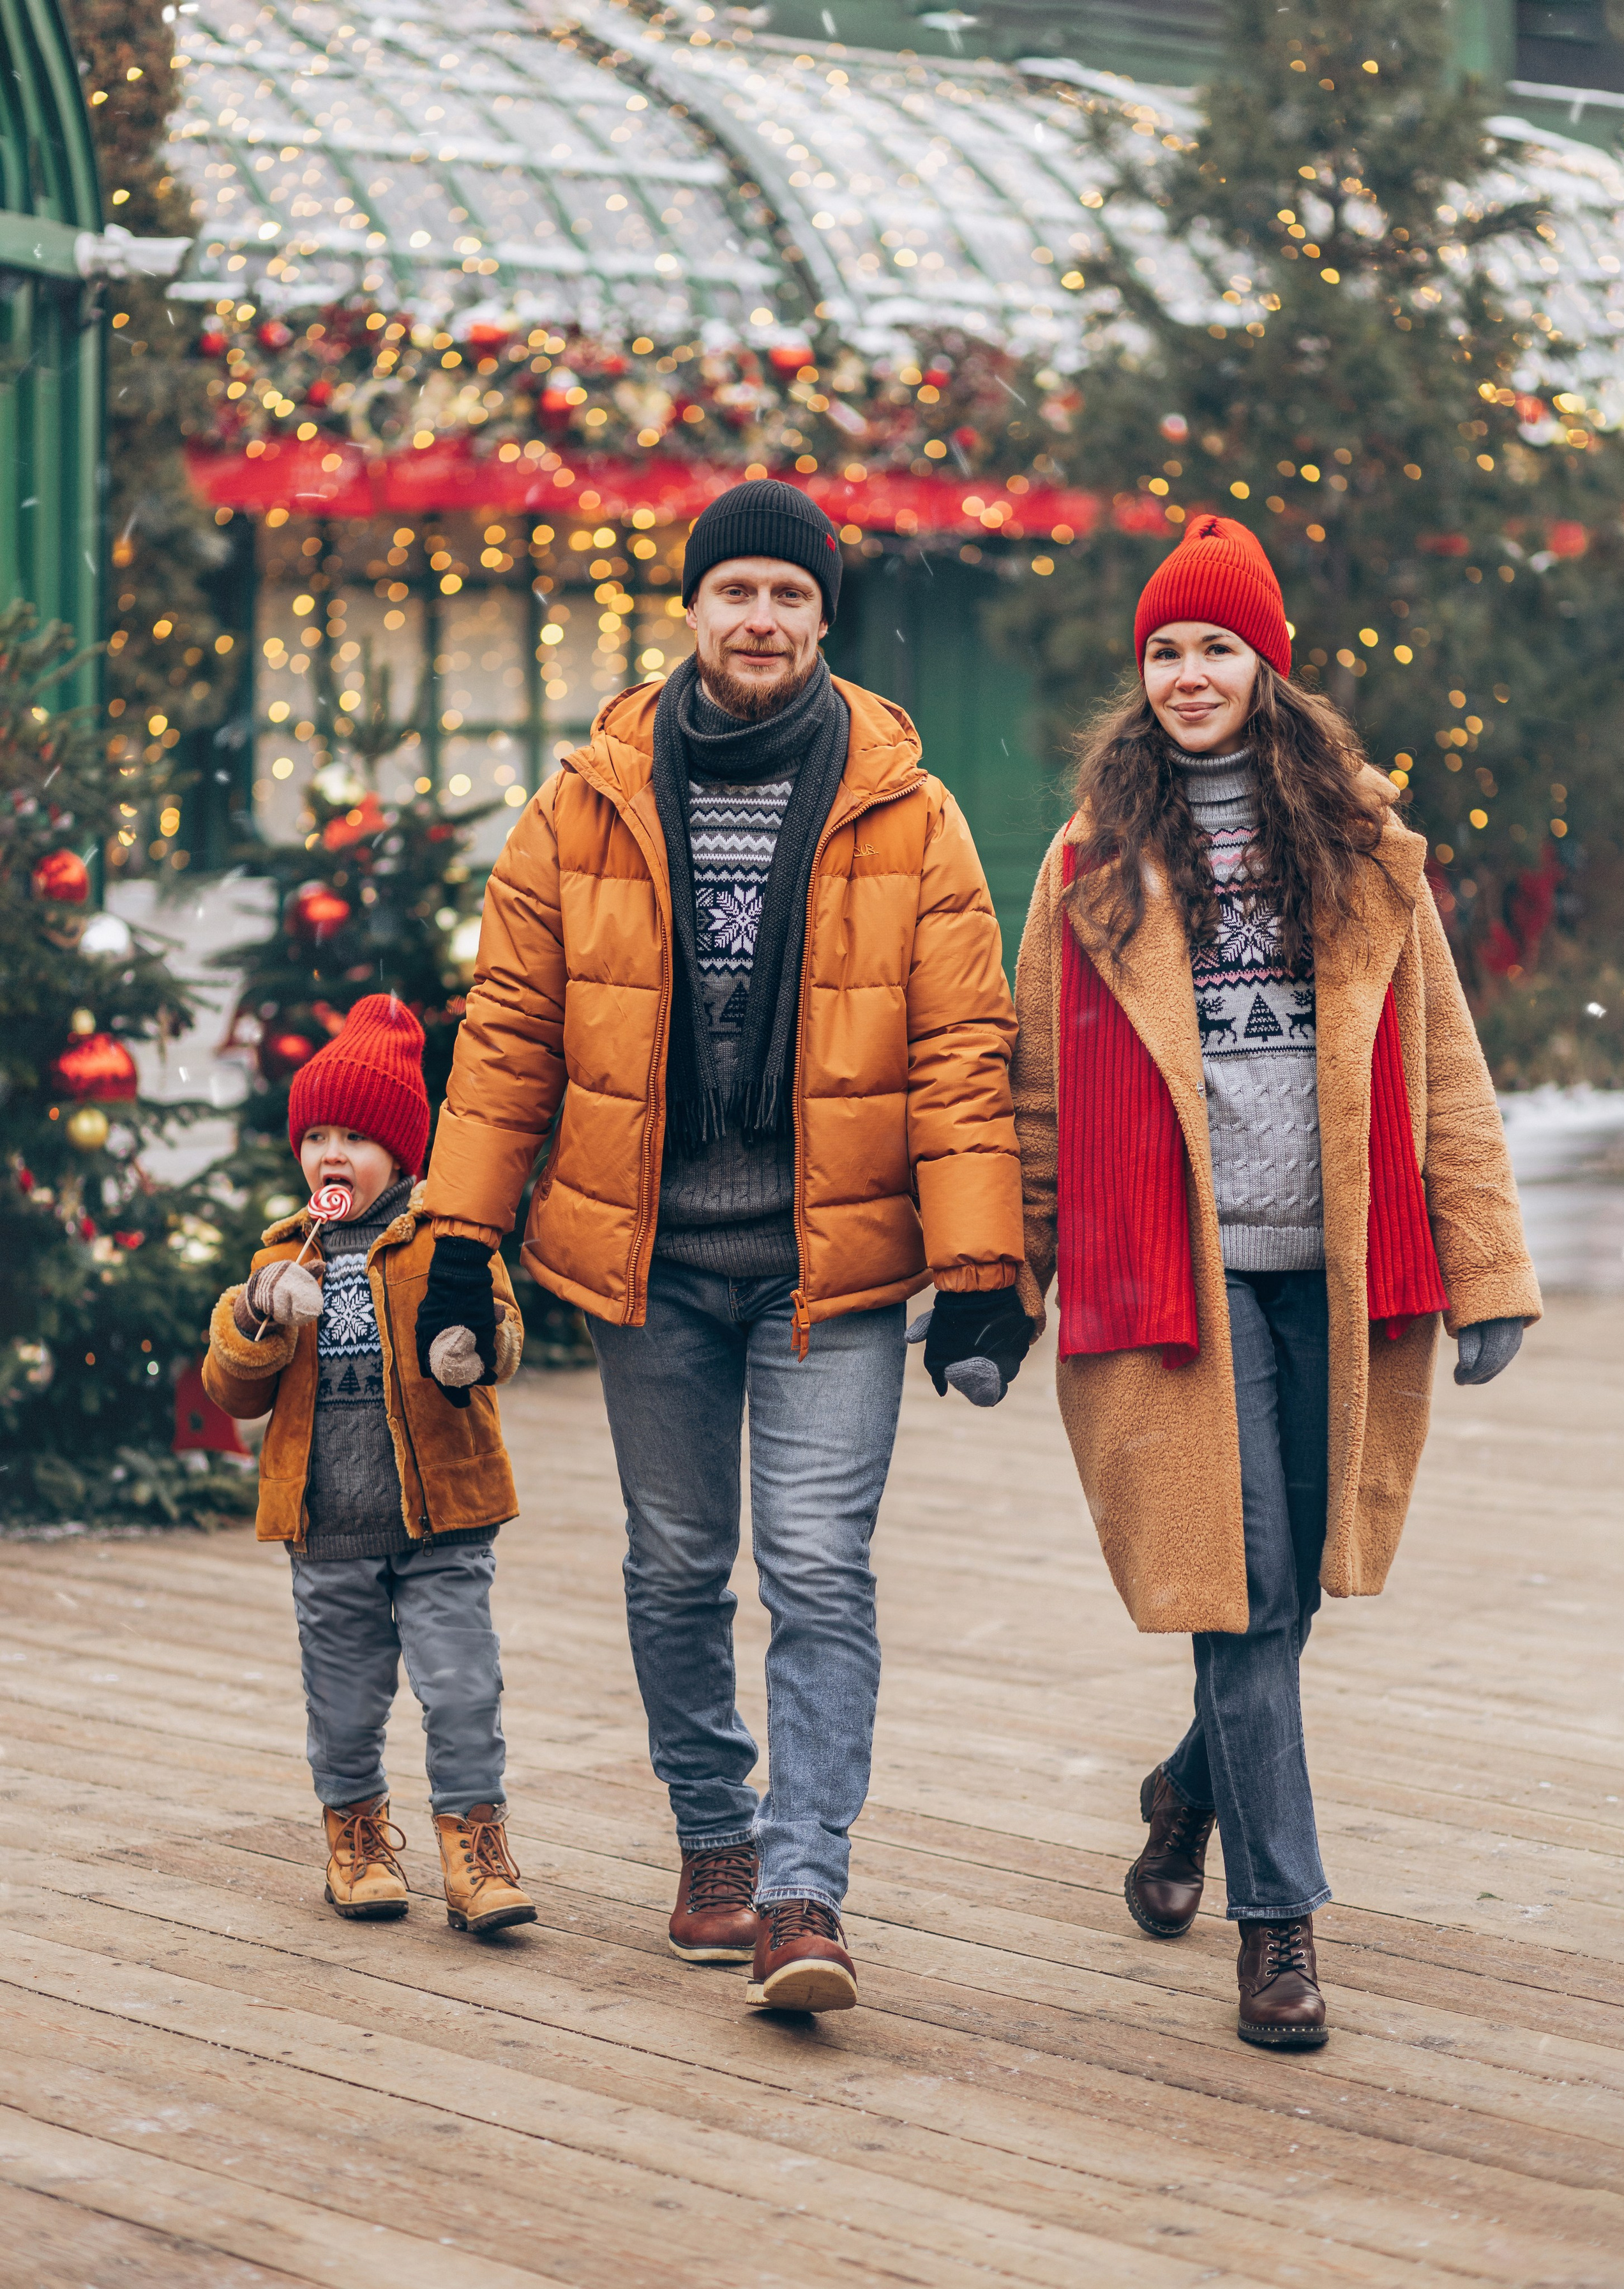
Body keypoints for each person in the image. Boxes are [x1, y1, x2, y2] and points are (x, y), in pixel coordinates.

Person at [423, 479, 1030, 2012]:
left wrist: (976, 1267)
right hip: (654, 1263)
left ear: (826, 619)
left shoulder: (911, 807)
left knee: (819, 1564)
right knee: (678, 1564)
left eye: (789, 596)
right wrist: (454, 1238)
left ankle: (801, 1882)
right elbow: (508, 1036)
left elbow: (962, 1049)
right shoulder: (587, 800)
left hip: (837, 1270)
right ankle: (712, 1835)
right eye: (735, 590)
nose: (760, 619)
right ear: (690, 609)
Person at [1010, 515, 1540, 2048]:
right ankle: (1278, 1922)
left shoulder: (1365, 851)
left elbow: (1440, 1067)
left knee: (1287, 1578)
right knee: (1237, 1596)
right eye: (1163, 650)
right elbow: (1036, 1087)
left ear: (1267, 666)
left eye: (1213, 646)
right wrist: (1003, 1280)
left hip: (1337, 1268)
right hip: (1168, 1273)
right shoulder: (1090, 862)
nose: (1186, 673)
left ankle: (1185, 1786)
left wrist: (1485, 1269)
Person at [204, 994, 538, 1938]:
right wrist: (259, 1317)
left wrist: (475, 1347)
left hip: (441, 1521)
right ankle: (355, 1840)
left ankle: (475, 1852)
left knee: (463, 1687)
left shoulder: (444, 1235)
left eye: (355, 1134)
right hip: (329, 1528)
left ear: (403, 1150)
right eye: (316, 1135)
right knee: (344, 1701)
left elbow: (502, 1328)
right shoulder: (280, 1254)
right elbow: (231, 1388)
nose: (331, 1154)